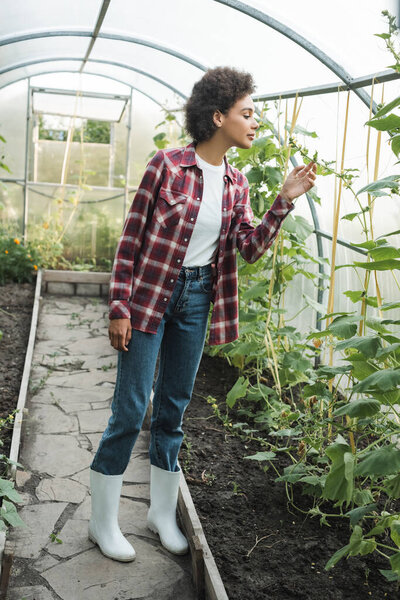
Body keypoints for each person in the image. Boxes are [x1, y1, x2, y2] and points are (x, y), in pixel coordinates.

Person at [88, 66, 317, 562]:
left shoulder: (238, 183)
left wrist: (282, 202)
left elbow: (249, 249)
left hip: (195, 302)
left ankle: (160, 514)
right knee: (130, 411)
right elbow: (130, 240)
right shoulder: (166, 166)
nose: (255, 122)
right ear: (218, 117)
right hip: (149, 299)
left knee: (173, 411)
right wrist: (119, 306)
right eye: (247, 113)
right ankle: (102, 523)